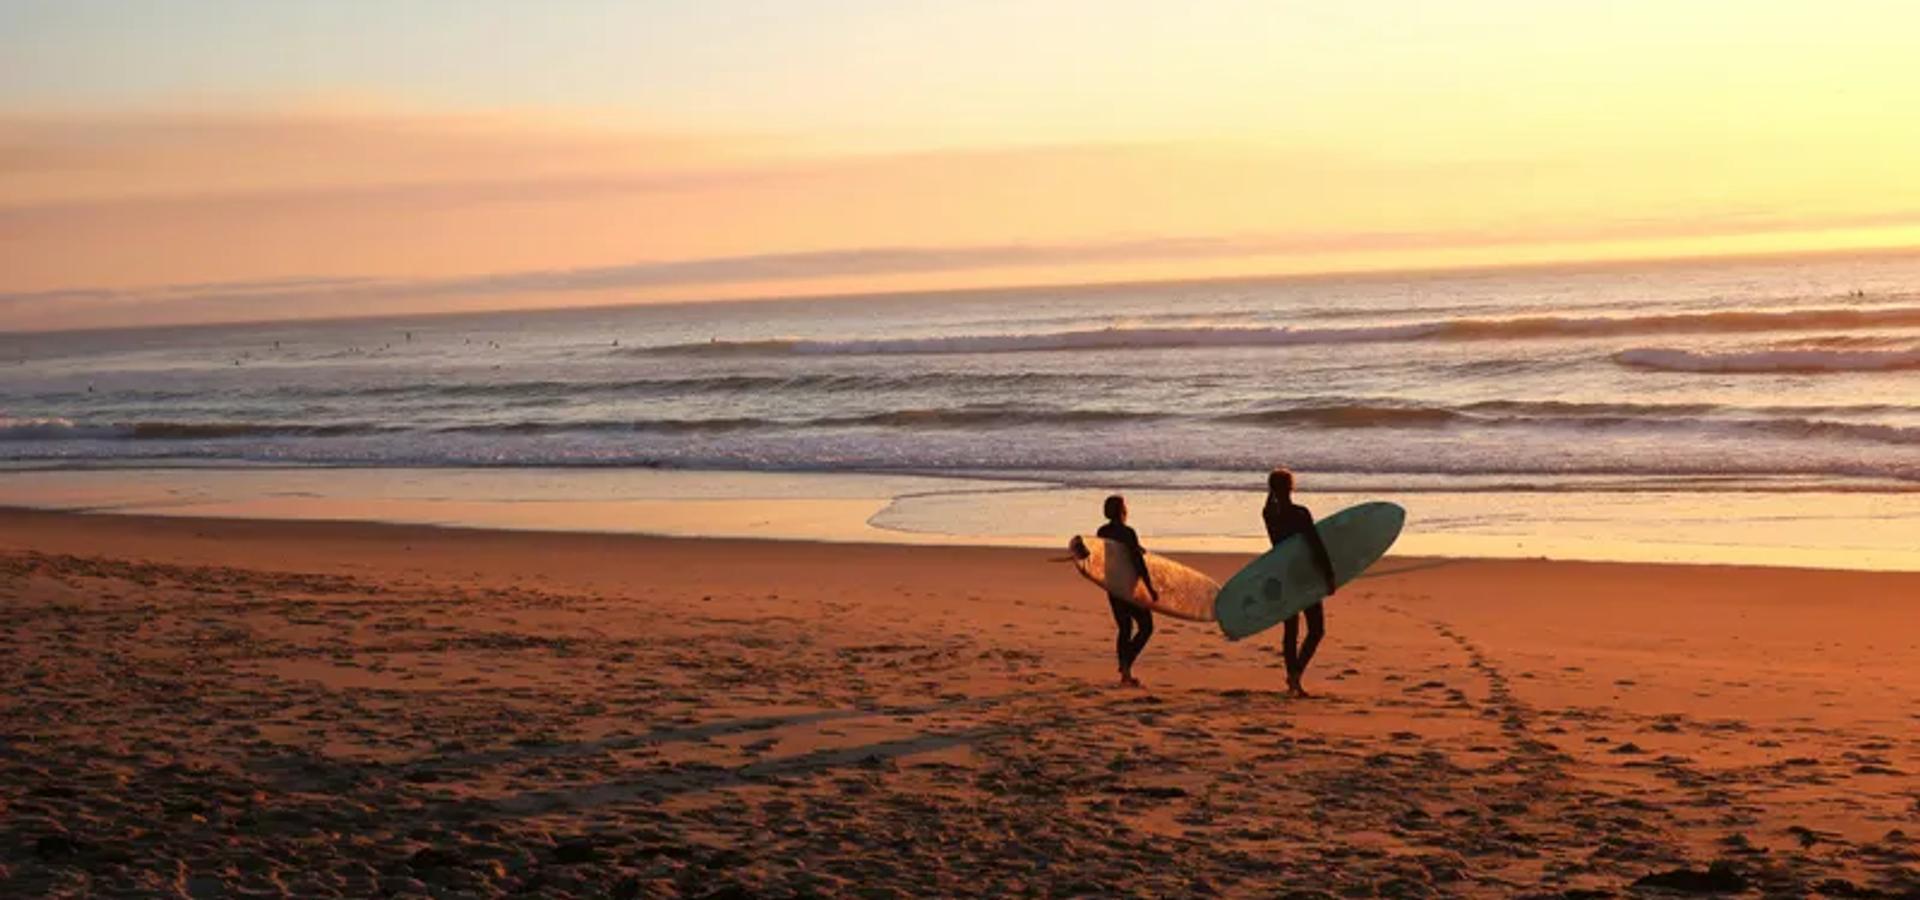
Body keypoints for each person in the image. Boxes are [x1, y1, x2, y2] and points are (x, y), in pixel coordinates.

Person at [1263, 468, 1338, 697]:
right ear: (1291, 487)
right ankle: (1295, 675)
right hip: (1304, 575)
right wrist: (1328, 574)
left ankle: (1293, 678)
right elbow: (1315, 545)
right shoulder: (1300, 513)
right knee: (1316, 629)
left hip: (1283, 575)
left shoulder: (1268, 513)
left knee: (1290, 630)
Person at [1097, 494, 1158, 687]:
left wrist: (1136, 547)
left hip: (1113, 586)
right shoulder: (1128, 532)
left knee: (1124, 627)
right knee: (1146, 626)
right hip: (1129, 587)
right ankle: (1126, 664)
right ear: (1122, 511)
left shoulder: (1102, 531)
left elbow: (1107, 555)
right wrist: (1149, 588)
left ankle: (1125, 672)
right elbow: (1137, 563)